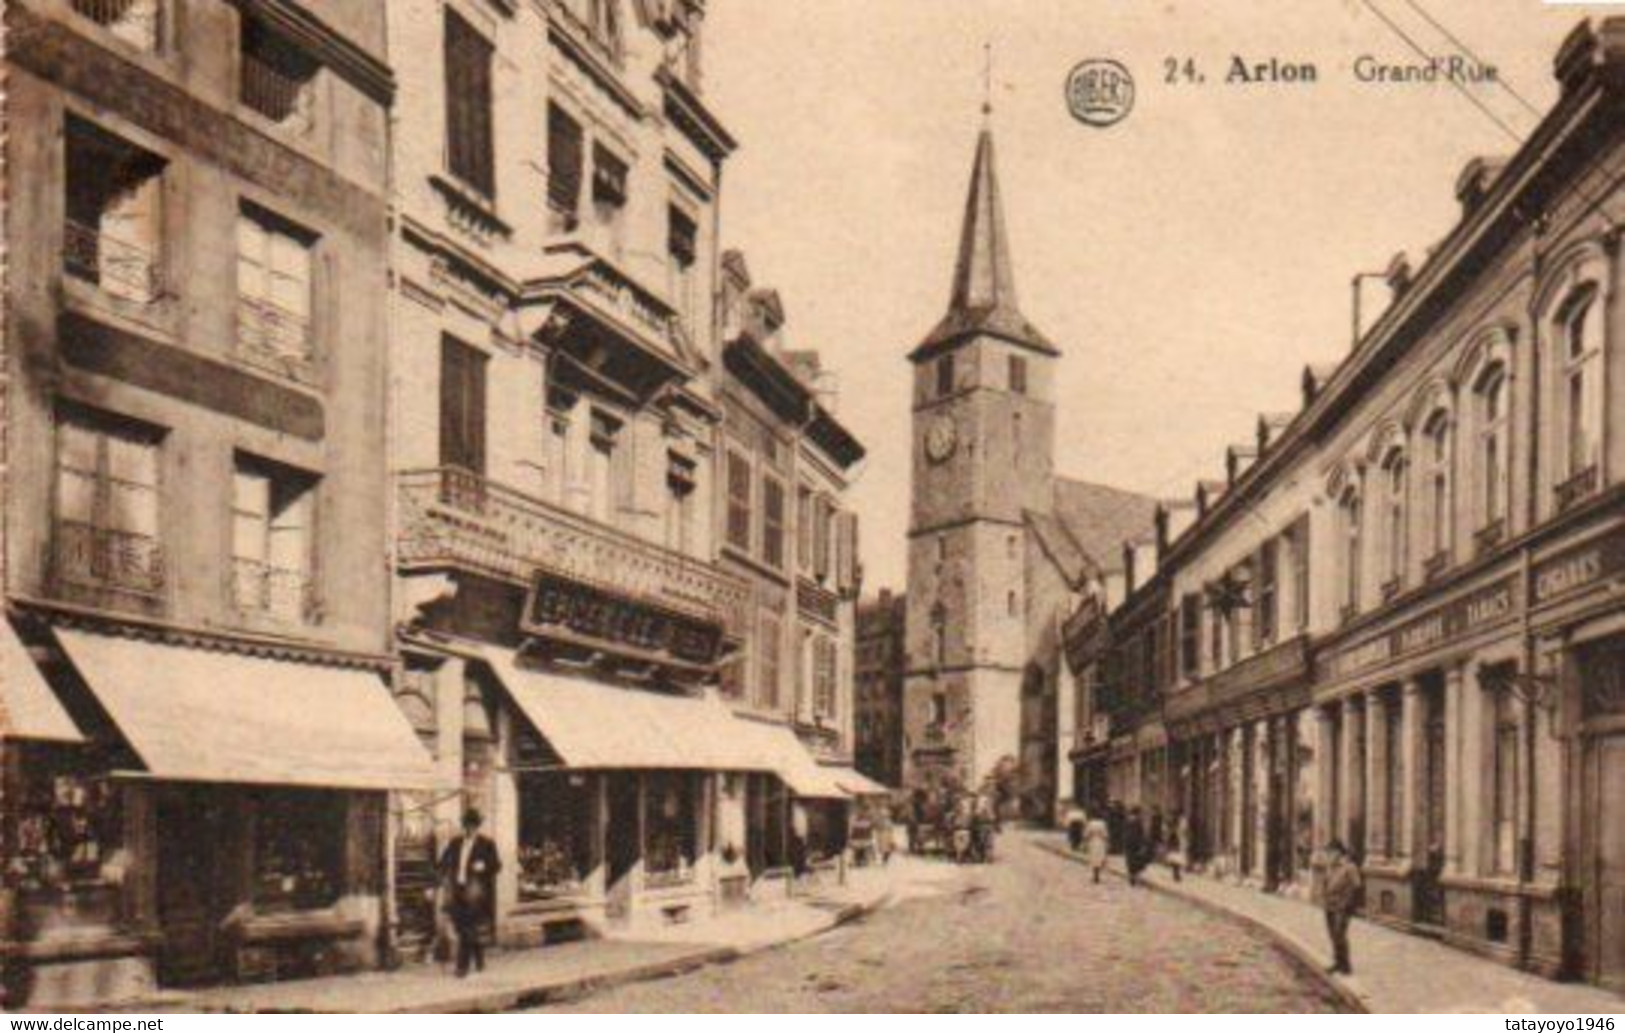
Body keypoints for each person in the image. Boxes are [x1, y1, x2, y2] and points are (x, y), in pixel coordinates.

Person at [437, 808, 501, 978]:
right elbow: (443, 862)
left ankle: (462, 967)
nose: (469, 829)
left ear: (477, 826)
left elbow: (496, 865)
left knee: (467, 928)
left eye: (472, 826)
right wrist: (443, 876)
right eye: (466, 825)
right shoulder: (455, 842)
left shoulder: (487, 844)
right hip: (457, 890)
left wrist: (484, 866)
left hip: (475, 892)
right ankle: (479, 955)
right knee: (461, 927)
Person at [1321, 839, 1363, 976]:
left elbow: (1356, 887)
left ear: (1339, 853)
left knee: (1340, 934)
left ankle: (1346, 966)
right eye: (1328, 853)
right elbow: (1326, 884)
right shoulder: (1330, 867)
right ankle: (1338, 963)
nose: (1329, 856)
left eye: (1331, 852)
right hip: (1330, 905)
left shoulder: (1349, 867)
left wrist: (1348, 904)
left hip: (1343, 907)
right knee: (1333, 934)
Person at [1123, 806, 1149, 887]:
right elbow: (1141, 833)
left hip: (1128, 842)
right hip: (1136, 843)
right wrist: (1143, 843)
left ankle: (1131, 876)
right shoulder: (1138, 821)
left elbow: (1124, 831)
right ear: (1138, 813)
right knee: (1136, 859)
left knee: (1129, 859)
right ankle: (1134, 875)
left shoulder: (1127, 820)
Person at [1082, 811, 1110, 883]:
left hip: (1092, 841)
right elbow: (1105, 834)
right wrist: (1107, 841)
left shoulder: (1090, 823)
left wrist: (1085, 841)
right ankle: (1097, 875)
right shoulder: (1102, 823)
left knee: (1094, 858)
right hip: (1100, 841)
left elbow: (1086, 833)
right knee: (1100, 858)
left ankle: (1095, 875)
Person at [1165, 811, 1189, 883]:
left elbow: (1184, 831)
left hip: (1177, 842)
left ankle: (1176, 874)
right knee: (1177, 859)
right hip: (1177, 842)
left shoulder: (1174, 824)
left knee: (1177, 859)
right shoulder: (1175, 825)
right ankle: (1176, 874)